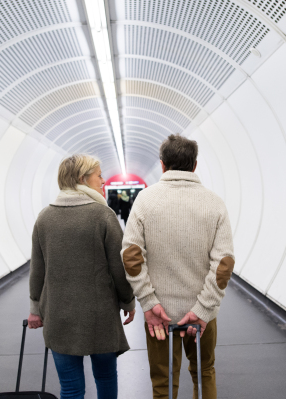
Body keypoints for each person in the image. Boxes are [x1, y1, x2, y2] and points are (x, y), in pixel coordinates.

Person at [121, 134, 235, 399]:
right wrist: (203, 309)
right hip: (202, 317)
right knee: (204, 372)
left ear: (162, 165)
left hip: (159, 316)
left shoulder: (145, 201)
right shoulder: (215, 204)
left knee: (163, 380)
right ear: (194, 165)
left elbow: (131, 255)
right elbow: (224, 264)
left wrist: (149, 303)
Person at [28, 154, 136, 399]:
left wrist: (35, 308)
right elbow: (119, 268)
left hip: (58, 316)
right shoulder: (102, 215)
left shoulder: (44, 218)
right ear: (82, 178)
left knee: (71, 388)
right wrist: (127, 301)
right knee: (106, 378)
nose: (103, 179)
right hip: (100, 317)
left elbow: (38, 270)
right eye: (99, 175)